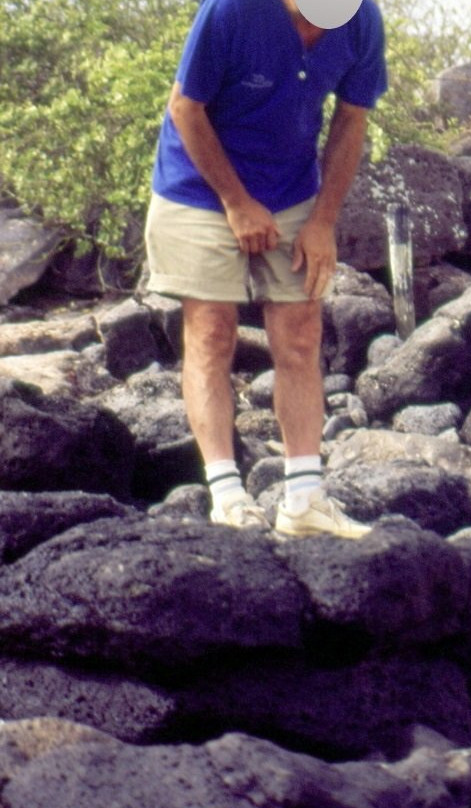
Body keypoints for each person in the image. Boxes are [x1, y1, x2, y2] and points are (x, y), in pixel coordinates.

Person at [144, 0, 388, 537]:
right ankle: (227, 496)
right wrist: (235, 202)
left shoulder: (362, 19)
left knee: (301, 333)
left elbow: (351, 119)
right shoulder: (231, 10)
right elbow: (186, 107)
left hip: (291, 186)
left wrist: (323, 219)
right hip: (199, 187)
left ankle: (304, 500)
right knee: (211, 332)